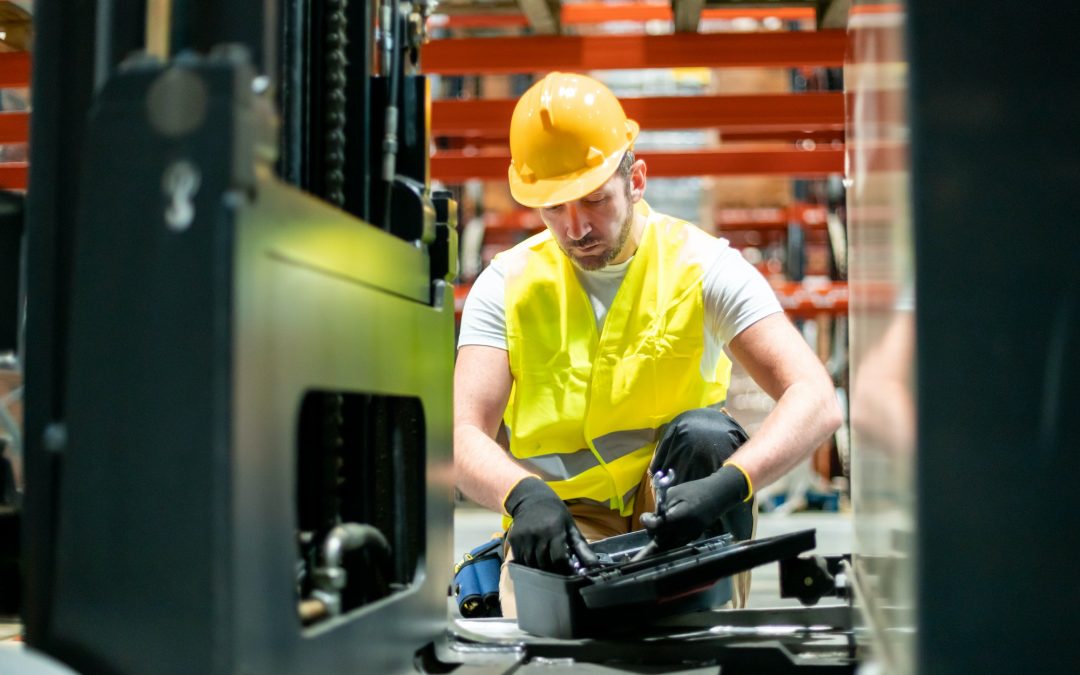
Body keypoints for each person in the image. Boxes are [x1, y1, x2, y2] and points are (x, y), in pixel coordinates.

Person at [454, 72, 842, 617]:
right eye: (554, 208)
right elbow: (462, 433)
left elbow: (816, 398)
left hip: (678, 510)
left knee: (707, 436)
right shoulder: (506, 283)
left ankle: (702, 610)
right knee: (556, 637)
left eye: (594, 200)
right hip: (562, 520)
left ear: (636, 178)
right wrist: (521, 494)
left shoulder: (704, 265)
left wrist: (731, 482)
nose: (576, 227)